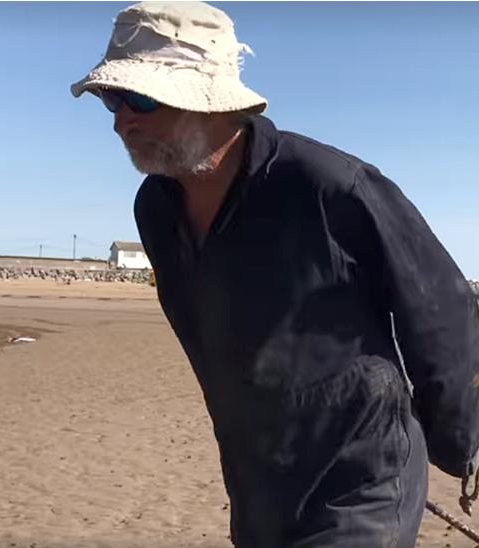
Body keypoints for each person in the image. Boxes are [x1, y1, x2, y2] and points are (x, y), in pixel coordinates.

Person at [71, 2, 479, 547]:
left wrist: (462, 439)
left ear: (209, 101)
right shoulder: (156, 210)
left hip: (362, 477)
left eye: (139, 98)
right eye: (111, 99)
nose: (122, 119)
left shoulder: (329, 186)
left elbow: (440, 309)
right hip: (258, 481)